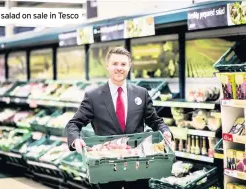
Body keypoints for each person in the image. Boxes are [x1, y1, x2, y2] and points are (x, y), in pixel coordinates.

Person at [65, 47, 173, 189]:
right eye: (115, 64)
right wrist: (76, 140)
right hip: (107, 167)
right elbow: (74, 124)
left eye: (123, 64)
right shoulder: (93, 96)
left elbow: (154, 120)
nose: (119, 68)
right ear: (108, 66)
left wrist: (165, 130)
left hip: (138, 166)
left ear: (129, 67)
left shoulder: (141, 93)